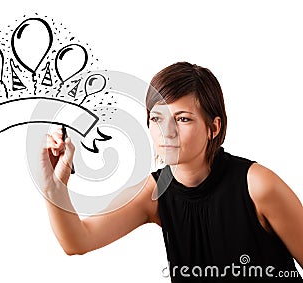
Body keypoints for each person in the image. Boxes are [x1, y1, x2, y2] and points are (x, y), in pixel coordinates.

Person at [38, 62, 303, 282]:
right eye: (157, 118)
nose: (167, 131)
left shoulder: (257, 185)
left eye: (183, 118)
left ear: (214, 127)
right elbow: (77, 241)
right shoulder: (154, 191)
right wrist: (54, 187)